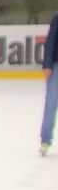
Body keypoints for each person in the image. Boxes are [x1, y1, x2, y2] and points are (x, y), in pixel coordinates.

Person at [39, 10, 56, 156]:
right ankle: (45, 140)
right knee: (51, 102)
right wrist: (47, 64)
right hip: (56, 66)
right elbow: (51, 41)